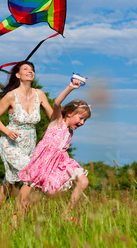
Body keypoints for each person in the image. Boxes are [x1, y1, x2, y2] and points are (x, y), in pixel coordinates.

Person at [17, 78, 90, 215]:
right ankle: (16, 219)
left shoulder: (70, 131)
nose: (82, 122)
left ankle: (66, 214)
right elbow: (57, 103)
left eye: (85, 120)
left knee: (83, 180)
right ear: (69, 113)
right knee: (28, 189)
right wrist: (70, 88)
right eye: (81, 118)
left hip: (60, 163)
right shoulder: (57, 121)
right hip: (43, 161)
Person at [0, 61, 53, 207]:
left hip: (30, 144)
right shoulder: (11, 96)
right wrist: (7, 131)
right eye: (26, 69)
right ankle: (18, 214)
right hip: (11, 143)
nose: (30, 71)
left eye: (32, 69)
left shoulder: (39, 94)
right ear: (18, 75)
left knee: (9, 185)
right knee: (32, 173)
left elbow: (53, 117)